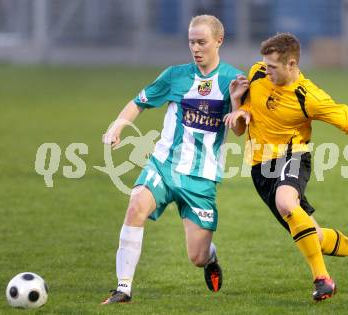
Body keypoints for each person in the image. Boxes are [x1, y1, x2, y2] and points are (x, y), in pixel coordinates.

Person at [224, 33, 348, 301]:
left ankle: (323, 279)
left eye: (273, 67)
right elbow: (242, 129)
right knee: (315, 236)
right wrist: (238, 106)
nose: (266, 71)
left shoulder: (309, 96)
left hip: (293, 156)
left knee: (286, 202)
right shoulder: (257, 73)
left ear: (291, 64)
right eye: (265, 64)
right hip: (259, 168)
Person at [101, 15, 243, 304]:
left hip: (201, 179)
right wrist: (118, 124)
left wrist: (238, 103)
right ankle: (123, 288)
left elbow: (240, 131)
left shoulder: (233, 79)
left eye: (202, 42)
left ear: (219, 41)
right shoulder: (175, 76)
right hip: (163, 165)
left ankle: (211, 256)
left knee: (197, 256)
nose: (196, 48)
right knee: (136, 206)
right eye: (191, 42)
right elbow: (139, 101)